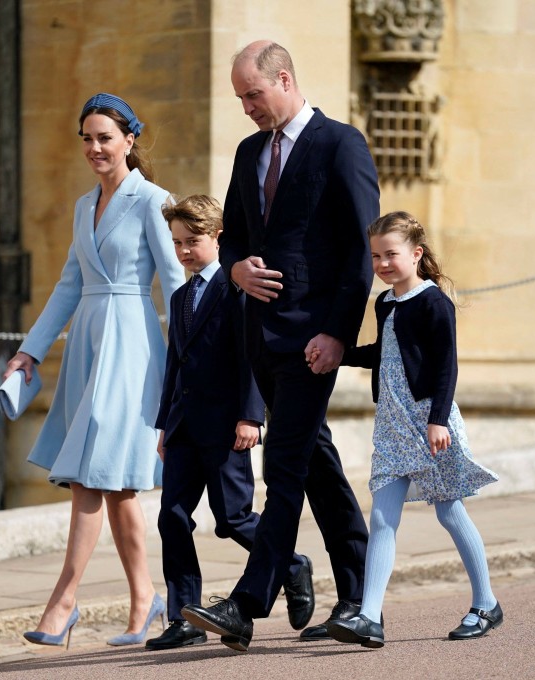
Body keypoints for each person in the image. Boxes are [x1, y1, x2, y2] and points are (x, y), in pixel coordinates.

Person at [181, 40, 377, 651]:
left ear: (284, 80)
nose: (245, 108)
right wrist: (234, 270)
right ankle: (360, 595)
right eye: (239, 97)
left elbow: (358, 250)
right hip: (259, 340)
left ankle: (246, 603)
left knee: (284, 465)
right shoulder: (247, 152)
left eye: (252, 95)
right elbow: (234, 238)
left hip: (313, 341)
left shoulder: (340, 144)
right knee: (315, 461)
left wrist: (338, 334)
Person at [4, 93, 185, 649]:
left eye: (104, 136)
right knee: (116, 485)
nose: (94, 147)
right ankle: (144, 599)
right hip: (87, 342)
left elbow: (176, 283)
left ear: (130, 139)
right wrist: (29, 351)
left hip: (132, 345)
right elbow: (69, 284)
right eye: (86, 137)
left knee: (90, 474)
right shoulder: (85, 206)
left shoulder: (155, 201)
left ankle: (62, 602)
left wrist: (190, 360)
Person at [323, 211, 502, 648]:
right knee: (382, 517)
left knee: (449, 512)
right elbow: (386, 355)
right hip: (392, 423)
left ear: (416, 254)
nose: (383, 264)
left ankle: (486, 604)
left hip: (428, 422)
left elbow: (446, 366)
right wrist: (339, 352)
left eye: (392, 254)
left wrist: (438, 419)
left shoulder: (433, 302)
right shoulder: (385, 303)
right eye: (376, 257)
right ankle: (369, 617)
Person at [146, 194, 313, 651]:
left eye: (192, 241)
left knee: (233, 518)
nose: (182, 251)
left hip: (227, 427)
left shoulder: (237, 292)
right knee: (172, 519)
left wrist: (250, 416)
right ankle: (186, 618)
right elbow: (173, 366)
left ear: (218, 238)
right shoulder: (180, 297)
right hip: (182, 428)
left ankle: (292, 564)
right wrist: (164, 424)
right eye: (176, 242)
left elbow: (250, 358)